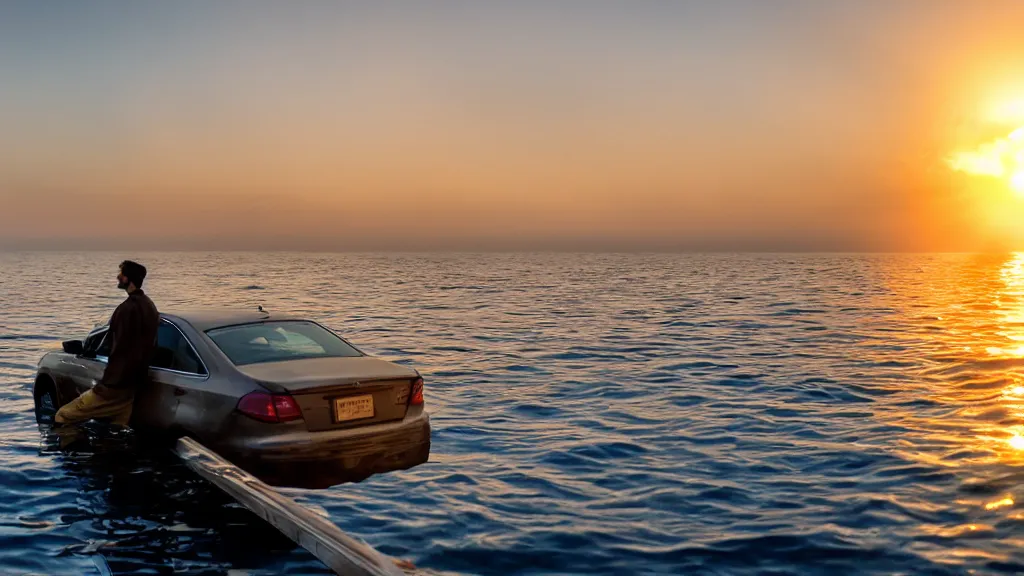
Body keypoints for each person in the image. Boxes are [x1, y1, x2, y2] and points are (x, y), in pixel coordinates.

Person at [55, 260, 159, 427]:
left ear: (128, 279)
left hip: (115, 386)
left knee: (63, 416)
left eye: (121, 274)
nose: (118, 277)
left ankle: (71, 451)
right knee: (116, 428)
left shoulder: (126, 309)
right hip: (134, 385)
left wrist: (107, 384)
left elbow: (119, 348)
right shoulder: (150, 306)